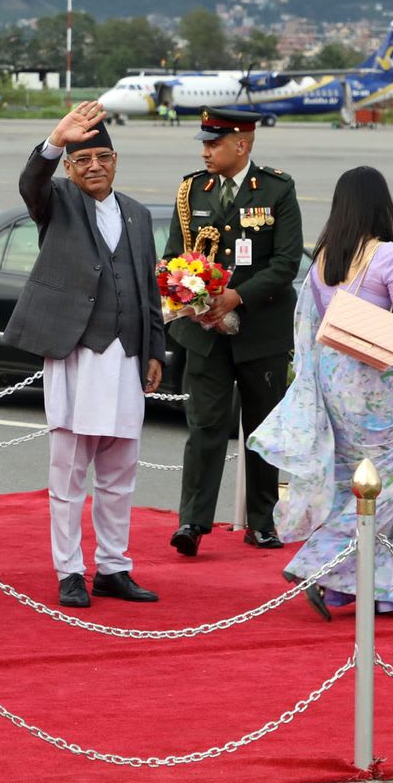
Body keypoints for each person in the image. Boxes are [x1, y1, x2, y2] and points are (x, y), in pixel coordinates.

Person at [253, 167, 393, 618]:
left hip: (336, 377)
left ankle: (351, 586)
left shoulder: (322, 258)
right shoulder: (388, 255)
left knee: (348, 481)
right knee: (390, 484)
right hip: (377, 379)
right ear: (380, 203)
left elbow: (322, 319)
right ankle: (319, 566)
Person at [5, 103, 163, 608]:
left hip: (126, 359)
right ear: (70, 169)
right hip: (75, 352)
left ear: (116, 160)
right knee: (70, 471)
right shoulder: (57, 202)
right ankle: (69, 569)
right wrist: (55, 140)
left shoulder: (138, 215)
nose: (94, 166)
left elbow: (147, 288)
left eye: (103, 157)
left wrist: (155, 348)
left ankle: (114, 566)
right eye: (83, 159)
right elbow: (31, 183)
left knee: (120, 470)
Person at [166, 108, 303, 557]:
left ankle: (262, 522)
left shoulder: (277, 190)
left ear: (242, 145)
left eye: (214, 143)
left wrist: (236, 297)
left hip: (260, 331)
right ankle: (192, 521)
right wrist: (188, 293)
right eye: (204, 143)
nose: (205, 151)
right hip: (204, 334)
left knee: (261, 428)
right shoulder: (191, 191)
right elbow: (172, 257)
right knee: (204, 424)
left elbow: (285, 264)